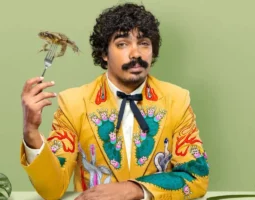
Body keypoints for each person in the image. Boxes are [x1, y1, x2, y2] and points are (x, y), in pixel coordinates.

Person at [20, 3, 209, 200]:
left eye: (144, 43)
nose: (136, 53)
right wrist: (31, 132)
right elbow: (52, 189)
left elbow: (196, 176)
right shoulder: (74, 104)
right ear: (104, 53)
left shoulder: (176, 100)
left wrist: (136, 189)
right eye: (122, 44)